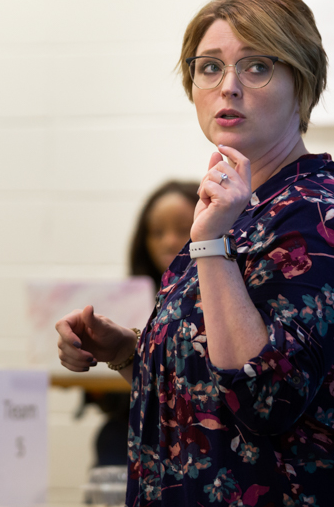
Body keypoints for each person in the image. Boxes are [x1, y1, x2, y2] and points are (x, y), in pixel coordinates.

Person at [56, 0, 334, 505]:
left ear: (301, 85)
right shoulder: (240, 210)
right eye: (209, 67)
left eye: (256, 67)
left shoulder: (322, 216)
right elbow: (206, 392)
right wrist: (128, 352)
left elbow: (264, 396)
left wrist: (210, 242)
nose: (228, 87)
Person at [86, 180, 199, 466]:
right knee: (110, 438)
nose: (169, 241)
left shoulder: (223, 299)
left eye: (183, 229)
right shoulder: (126, 302)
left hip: (197, 427)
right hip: (134, 421)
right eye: (157, 233)